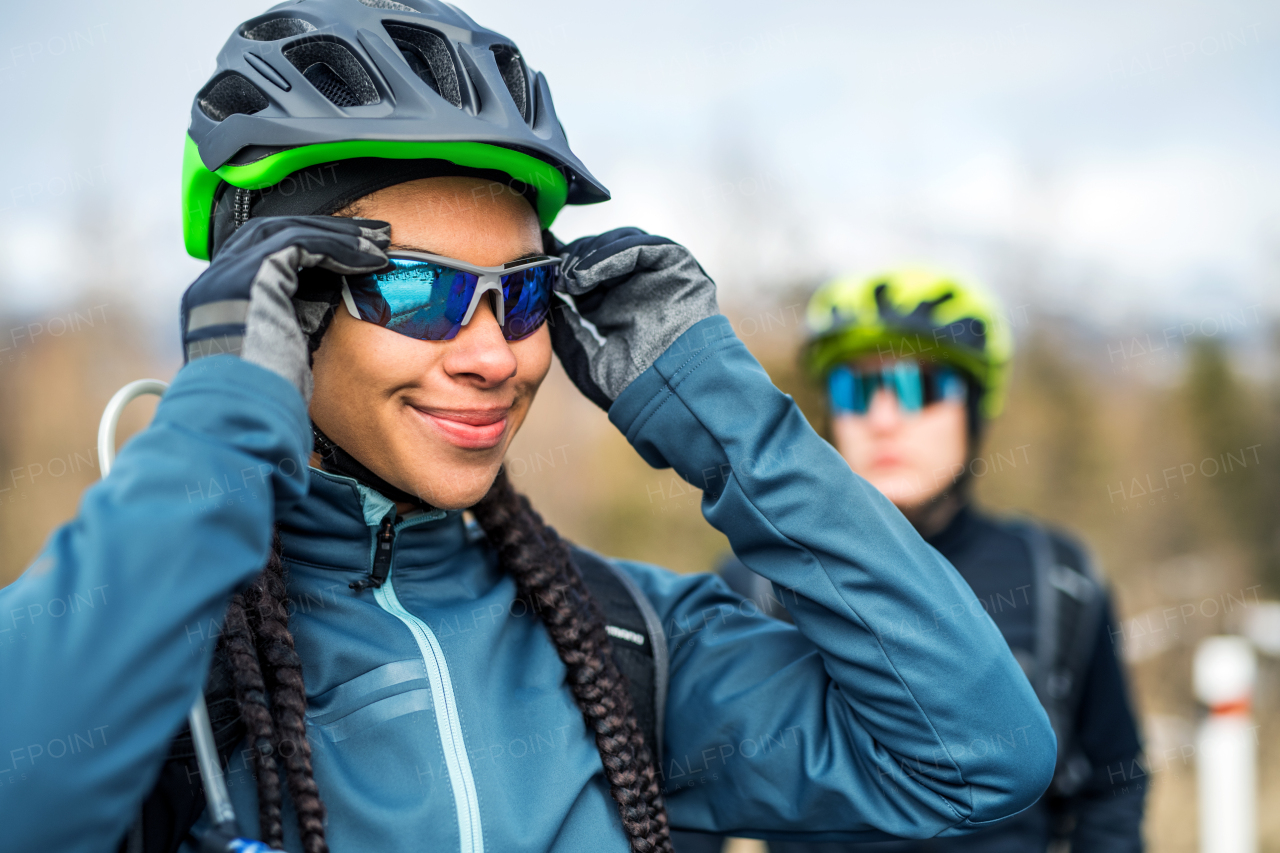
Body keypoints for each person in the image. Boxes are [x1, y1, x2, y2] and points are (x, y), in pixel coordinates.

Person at [0, 4, 1057, 852]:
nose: (490, 355)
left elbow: (974, 755)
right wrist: (224, 423)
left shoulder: (620, 642)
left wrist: (721, 412)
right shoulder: (149, 649)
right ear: (278, 307)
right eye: (414, 290)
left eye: (517, 294)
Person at [717, 268, 1146, 852]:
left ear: (973, 407)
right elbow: (694, 801)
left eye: (919, 384)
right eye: (855, 389)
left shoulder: (1059, 581)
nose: (885, 418)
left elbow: (1112, 786)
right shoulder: (755, 585)